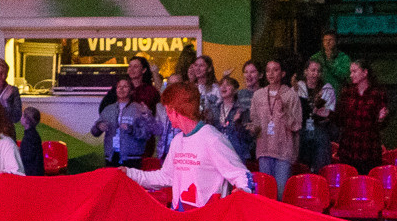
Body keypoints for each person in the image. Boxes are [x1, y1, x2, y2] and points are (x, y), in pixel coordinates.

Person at [123, 82, 252, 207]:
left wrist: (243, 190)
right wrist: (128, 173)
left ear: (174, 110)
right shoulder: (178, 140)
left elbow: (241, 173)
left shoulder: (212, 138)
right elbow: (165, 176)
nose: (167, 114)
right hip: (182, 217)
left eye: (167, 109)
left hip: (208, 218)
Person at [249, 60, 300, 194]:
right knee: (265, 193)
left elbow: (296, 125)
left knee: (280, 193)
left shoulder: (291, 95)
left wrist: (284, 111)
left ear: (283, 73)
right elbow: (254, 120)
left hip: (283, 151)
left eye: (275, 70)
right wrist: (252, 128)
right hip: (264, 149)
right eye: (268, 70)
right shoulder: (258, 95)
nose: (271, 73)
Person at [336, 61, 389, 172]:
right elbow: (340, 119)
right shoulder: (347, 92)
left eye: (355, 71)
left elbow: (383, 123)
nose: (351, 75)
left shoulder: (377, 94)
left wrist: (381, 119)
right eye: (351, 72)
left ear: (365, 73)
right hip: (349, 147)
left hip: (368, 148)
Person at [295, 60, 338, 173]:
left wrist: (317, 109)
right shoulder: (298, 87)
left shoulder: (327, 89)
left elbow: (329, 113)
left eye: (318, 71)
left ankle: (320, 176)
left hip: (320, 128)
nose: (315, 73)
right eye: (312, 70)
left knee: (321, 140)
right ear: (306, 72)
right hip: (302, 128)